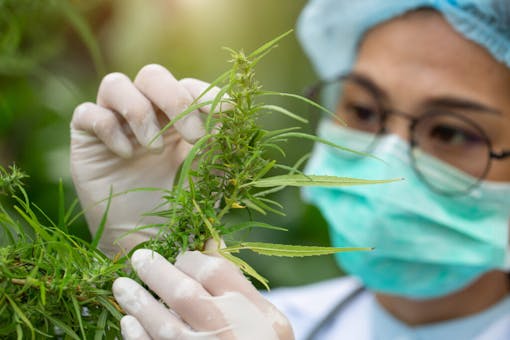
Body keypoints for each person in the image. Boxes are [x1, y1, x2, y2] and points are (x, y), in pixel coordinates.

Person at [70, 0, 510, 339]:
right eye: (361, 108)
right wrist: (147, 262)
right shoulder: (263, 320)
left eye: (452, 132)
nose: (385, 162)